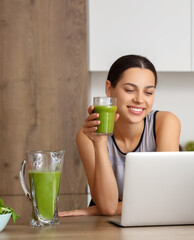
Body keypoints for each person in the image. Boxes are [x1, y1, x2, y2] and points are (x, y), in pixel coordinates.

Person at [60, 55, 181, 217]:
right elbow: (107, 207)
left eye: (148, 92)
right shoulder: (87, 136)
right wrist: (100, 141)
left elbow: (165, 197)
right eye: (130, 90)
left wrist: (95, 210)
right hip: (104, 223)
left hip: (149, 218)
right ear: (109, 89)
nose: (139, 100)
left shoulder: (165, 122)